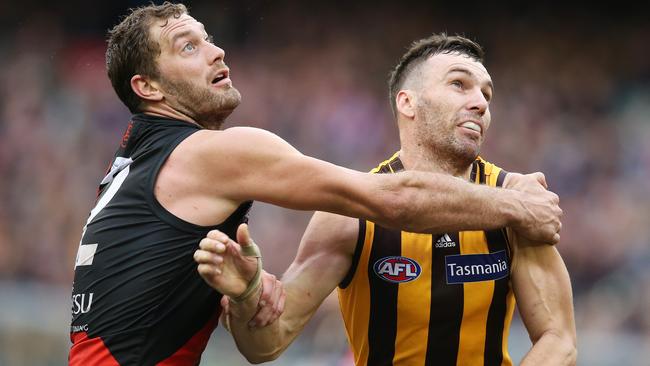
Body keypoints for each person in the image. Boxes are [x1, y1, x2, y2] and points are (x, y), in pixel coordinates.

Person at [68, 1, 562, 364]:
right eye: (189, 46)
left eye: (487, 92)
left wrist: (244, 294)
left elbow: (560, 340)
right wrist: (519, 206)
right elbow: (397, 200)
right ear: (147, 87)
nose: (217, 51)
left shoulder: (137, 162)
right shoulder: (211, 153)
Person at [196, 34, 576, 365]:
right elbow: (266, 344)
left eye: (486, 93)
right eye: (459, 84)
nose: (480, 102)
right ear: (407, 103)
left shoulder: (520, 202)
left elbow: (559, 341)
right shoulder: (349, 217)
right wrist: (247, 295)